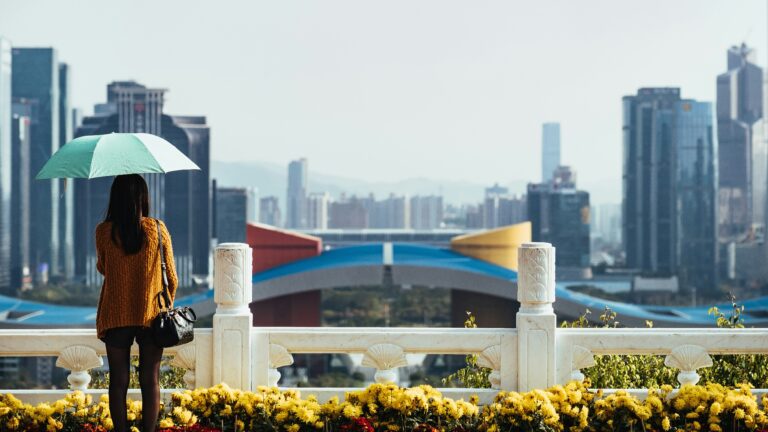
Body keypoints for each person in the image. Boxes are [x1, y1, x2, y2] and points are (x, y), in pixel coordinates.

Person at [95, 174, 178, 432]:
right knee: (149, 379)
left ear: (115, 199)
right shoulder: (157, 229)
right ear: (143, 198)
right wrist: (163, 306)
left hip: (115, 314)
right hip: (151, 316)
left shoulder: (103, 231)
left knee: (118, 380)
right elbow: (172, 278)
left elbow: (103, 268)